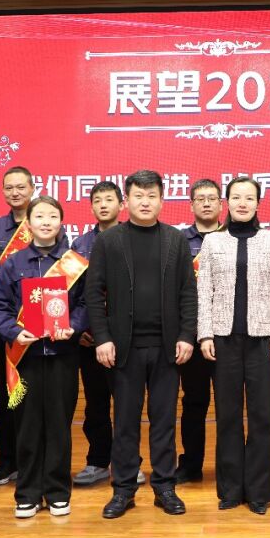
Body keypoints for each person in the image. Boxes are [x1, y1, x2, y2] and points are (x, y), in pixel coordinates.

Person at [85, 170, 198, 519]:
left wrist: (187, 335)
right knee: (125, 422)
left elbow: (188, 292)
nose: (145, 202)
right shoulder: (109, 241)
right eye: (138, 195)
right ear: (126, 201)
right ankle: (123, 490)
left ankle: (165, 487)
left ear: (162, 200)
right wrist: (102, 338)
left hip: (167, 347)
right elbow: (94, 293)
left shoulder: (175, 239)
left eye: (152, 196)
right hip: (124, 348)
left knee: (164, 421)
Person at [0, 196, 89, 518]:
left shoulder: (75, 263)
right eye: (39, 217)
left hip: (63, 354)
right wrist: (13, 332)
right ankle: (28, 493)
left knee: (60, 425)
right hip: (26, 356)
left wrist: (74, 327)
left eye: (52, 216)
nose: (46, 222)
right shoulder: (13, 263)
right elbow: (0, 307)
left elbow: (86, 304)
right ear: (28, 223)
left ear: (61, 222)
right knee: (27, 425)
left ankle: (58, 492)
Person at [197, 177, 270, 515]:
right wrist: (205, 334)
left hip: (262, 340)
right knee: (228, 416)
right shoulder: (212, 241)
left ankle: (260, 491)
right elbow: (203, 291)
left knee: (263, 416)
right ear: (227, 202)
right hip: (223, 339)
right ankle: (231, 489)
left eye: (249, 198)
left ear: (258, 203)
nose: (242, 203)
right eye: (236, 197)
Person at [71, 181, 147, 488]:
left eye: (109, 200)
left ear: (121, 204)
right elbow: (72, 293)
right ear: (91, 206)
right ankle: (98, 461)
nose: (103, 205)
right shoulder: (79, 245)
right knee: (96, 404)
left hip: (127, 338)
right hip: (90, 339)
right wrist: (79, 330)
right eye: (97, 200)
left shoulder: (134, 238)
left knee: (128, 404)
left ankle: (129, 463)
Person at [0, 166, 35, 487]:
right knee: (7, 393)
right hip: (4, 325)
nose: (15, 192)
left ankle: (32, 460)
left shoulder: (44, 221)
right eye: (9, 188)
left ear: (32, 189)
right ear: (3, 192)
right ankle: (7, 461)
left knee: (33, 394)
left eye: (21, 187)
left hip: (37, 324)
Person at [176, 178, 223, 484]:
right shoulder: (178, 241)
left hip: (226, 333)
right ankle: (191, 465)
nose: (206, 203)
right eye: (200, 199)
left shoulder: (232, 237)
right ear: (191, 204)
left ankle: (229, 465)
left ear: (221, 204)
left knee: (229, 404)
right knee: (194, 401)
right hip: (191, 335)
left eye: (212, 198)